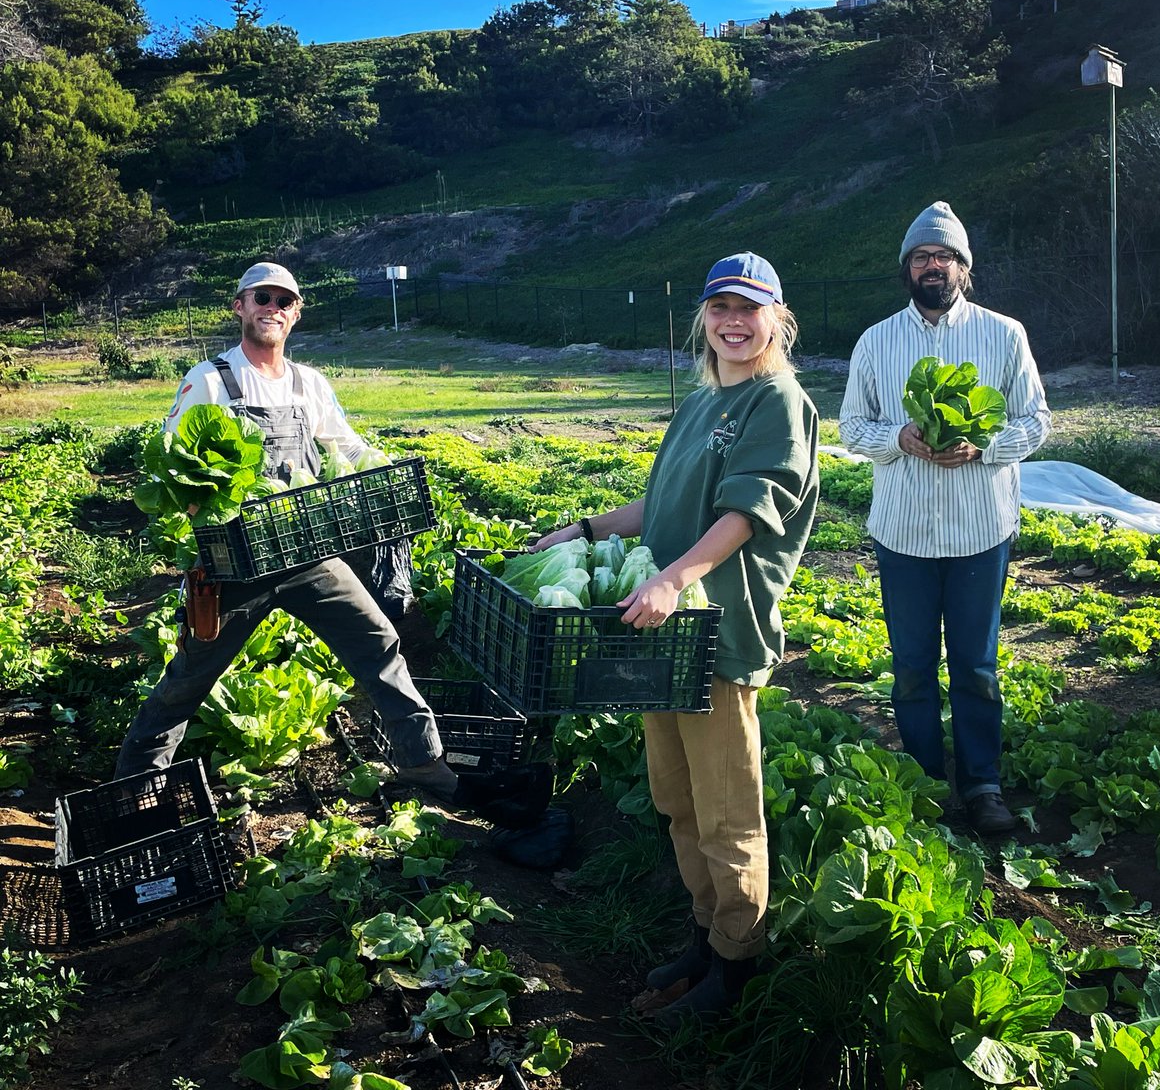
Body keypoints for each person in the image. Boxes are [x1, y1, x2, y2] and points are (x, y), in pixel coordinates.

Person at [116, 261, 549, 827]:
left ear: (295, 314)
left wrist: (388, 479)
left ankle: (422, 764)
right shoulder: (210, 380)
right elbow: (175, 466)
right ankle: (136, 785)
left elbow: (345, 449)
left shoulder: (309, 383)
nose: (271, 307)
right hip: (234, 563)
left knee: (380, 643)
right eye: (261, 298)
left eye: (283, 300)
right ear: (240, 307)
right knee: (193, 674)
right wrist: (205, 511)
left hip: (307, 550)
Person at [534, 252, 819, 1022]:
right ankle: (704, 937)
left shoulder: (778, 402)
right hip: (664, 637)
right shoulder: (701, 404)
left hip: (717, 632)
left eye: (749, 309)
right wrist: (582, 527)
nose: (734, 321)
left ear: (776, 319)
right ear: (704, 317)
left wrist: (675, 579)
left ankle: (736, 966)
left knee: (728, 810)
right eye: (721, 307)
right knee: (678, 799)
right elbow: (661, 508)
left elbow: (745, 515)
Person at [839, 202, 1051, 834]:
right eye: (921, 258)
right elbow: (852, 427)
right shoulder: (877, 340)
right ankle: (928, 782)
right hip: (902, 532)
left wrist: (983, 445)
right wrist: (900, 439)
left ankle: (983, 783)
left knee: (977, 664)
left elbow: (1036, 419)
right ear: (908, 269)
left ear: (965, 266)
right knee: (910, 665)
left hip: (979, 528)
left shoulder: (1003, 334)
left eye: (945, 256)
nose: (933, 266)